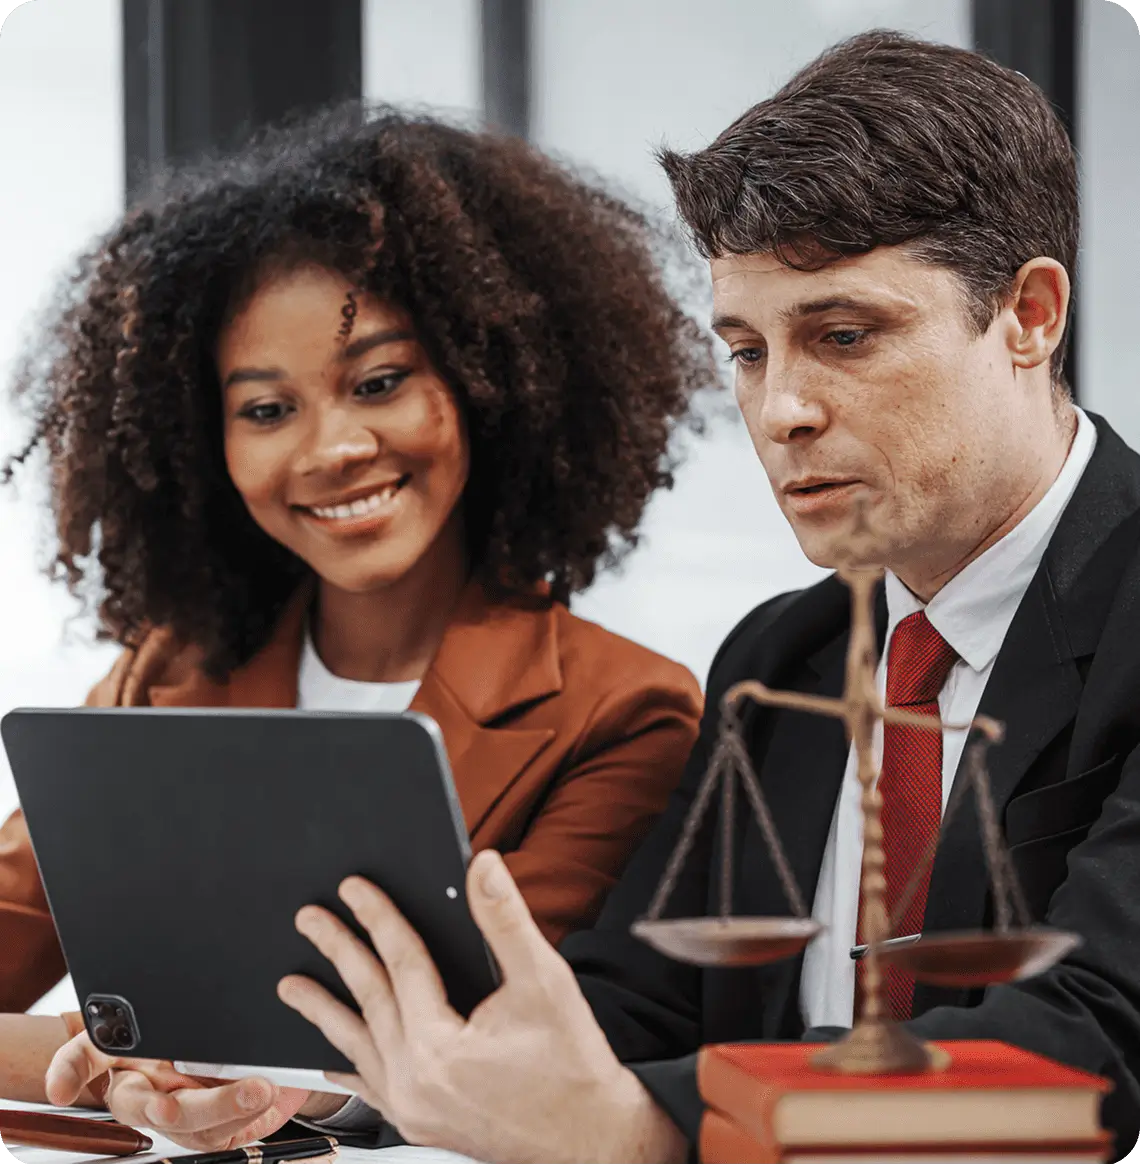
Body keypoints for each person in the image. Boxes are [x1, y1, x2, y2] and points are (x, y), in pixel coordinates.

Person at [49, 27, 1140, 1162]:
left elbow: (1096, 1046)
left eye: (844, 335)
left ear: (1030, 315)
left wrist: (643, 1130)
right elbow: (624, 1009)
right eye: (748, 350)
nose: (781, 411)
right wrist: (318, 1080)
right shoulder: (784, 659)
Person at [0, 102, 718, 1134]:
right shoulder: (164, 676)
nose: (333, 446)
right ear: (208, 444)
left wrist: (175, 1062)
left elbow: (490, 1052)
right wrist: (135, 1066)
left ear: (487, 382)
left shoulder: (624, 712)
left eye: (380, 381)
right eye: (266, 408)